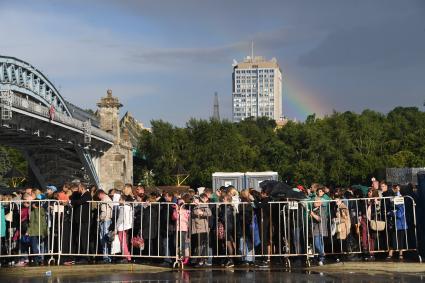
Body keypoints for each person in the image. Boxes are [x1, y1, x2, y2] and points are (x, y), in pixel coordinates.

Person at [191, 194, 212, 267]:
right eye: (194, 199)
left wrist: (202, 212)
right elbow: (194, 212)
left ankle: (202, 260)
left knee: (202, 245)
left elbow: (209, 213)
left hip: (203, 228)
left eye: (196, 199)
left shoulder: (203, 205)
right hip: (196, 228)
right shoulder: (192, 205)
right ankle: (198, 260)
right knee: (198, 245)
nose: (194, 200)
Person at [27, 198, 48, 266]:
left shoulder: (34, 211)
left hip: (34, 231)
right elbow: (43, 222)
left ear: (33, 204)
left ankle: (38, 259)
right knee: (40, 246)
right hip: (41, 231)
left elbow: (32, 222)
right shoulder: (42, 211)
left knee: (35, 246)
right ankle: (39, 259)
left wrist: (29, 231)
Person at [116, 195, 133, 263]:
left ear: (123, 200)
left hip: (122, 226)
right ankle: (127, 256)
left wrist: (116, 227)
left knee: (123, 242)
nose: (118, 201)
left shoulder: (123, 207)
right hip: (127, 226)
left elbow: (120, 218)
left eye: (120, 199)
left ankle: (127, 257)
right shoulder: (129, 206)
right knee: (124, 242)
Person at [310, 197, 327, 266]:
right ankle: (321, 258)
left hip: (319, 229)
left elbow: (319, 219)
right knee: (318, 244)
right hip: (315, 229)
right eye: (314, 201)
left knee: (318, 244)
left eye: (316, 202)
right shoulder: (314, 209)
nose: (314, 202)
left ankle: (322, 254)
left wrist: (313, 215)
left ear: (320, 203)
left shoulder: (321, 209)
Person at [97, 190, 113, 263]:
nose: (98, 197)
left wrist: (99, 218)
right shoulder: (108, 199)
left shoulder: (105, 200)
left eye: (98, 196)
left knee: (104, 238)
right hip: (108, 220)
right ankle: (107, 256)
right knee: (106, 238)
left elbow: (104, 212)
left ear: (101, 194)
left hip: (105, 220)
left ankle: (106, 257)